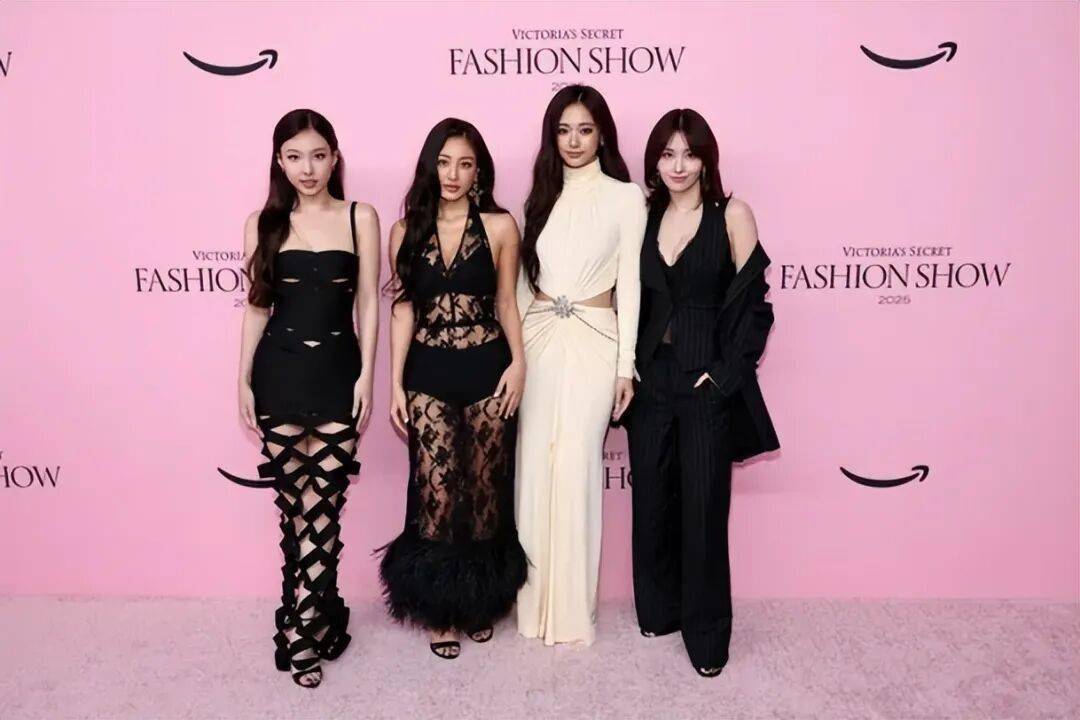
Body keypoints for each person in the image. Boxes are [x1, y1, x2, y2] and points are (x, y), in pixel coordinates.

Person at [218, 109, 380, 688]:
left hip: (338, 374)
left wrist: (367, 376)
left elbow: (369, 302)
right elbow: (257, 307)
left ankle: (297, 626)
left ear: (335, 158)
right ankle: (317, 620)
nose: (306, 168)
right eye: (294, 157)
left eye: (317, 155)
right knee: (297, 510)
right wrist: (242, 379)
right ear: (279, 162)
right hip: (278, 375)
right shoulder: (262, 224)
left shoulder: (361, 217)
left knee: (324, 504)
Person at [626, 108, 779, 677]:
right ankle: (659, 611)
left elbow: (755, 306)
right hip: (651, 382)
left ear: (707, 159)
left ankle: (708, 637)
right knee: (651, 506)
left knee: (705, 511)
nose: (678, 166)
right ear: (653, 162)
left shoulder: (732, 214)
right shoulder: (643, 217)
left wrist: (724, 376)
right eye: (667, 154)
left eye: (689, 154)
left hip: (705, 383)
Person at [379, 118, 528, 659]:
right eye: (444, 162)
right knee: (437, 494)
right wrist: (395, 384)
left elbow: (507, 302)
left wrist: (519, 364)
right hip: (428, 372)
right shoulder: (405, 230)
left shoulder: (501, 226)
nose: (453, 174)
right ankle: (440, 610)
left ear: (479, 171)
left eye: (465, 164)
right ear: (429, 166)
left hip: (488, 367)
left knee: (485, 492)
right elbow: (403, 309)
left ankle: (478, 602)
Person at [515, 85, 647, 645]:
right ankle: (532, 607)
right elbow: (523, 284)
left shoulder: (626, 197)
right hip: (538, 338)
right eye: (564, 130)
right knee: (534, 468)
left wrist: (625, 365)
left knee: (575, 466)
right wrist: (514, 357)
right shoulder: (540, 196)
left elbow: (631, 284)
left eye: (585, 130)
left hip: (597, 340)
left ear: (603, 136)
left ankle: (571, 612)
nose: (573, 141)